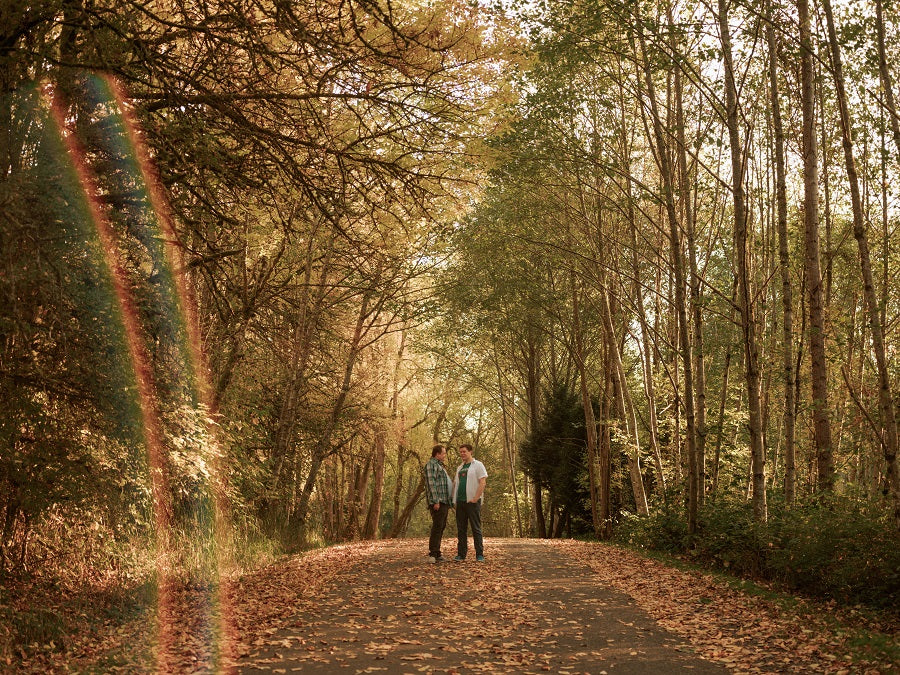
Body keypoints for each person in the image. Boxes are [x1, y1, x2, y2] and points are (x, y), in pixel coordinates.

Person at [451, 443, 488, 562]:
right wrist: (454, 500)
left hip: (472, 502)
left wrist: (476, 498)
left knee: (476, 528)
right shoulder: (460, 467)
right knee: (461, 529)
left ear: (470, 452)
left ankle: (479, 554)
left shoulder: (478, 465)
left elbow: (482, 482)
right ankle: (461, 554)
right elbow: (456, 484)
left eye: (464, 451)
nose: (462, 454)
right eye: (460, 452)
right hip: (460, 502)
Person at [423, 444, 453, 562]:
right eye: (444, 453)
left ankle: (437, 552)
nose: (445, 455)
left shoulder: (439, 466)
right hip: (438, 502)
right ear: (437, 454)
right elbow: (431, 484)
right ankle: (433, 553)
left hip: (444, 501)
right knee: (437, 526)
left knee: (441, 526)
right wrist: (436, 501)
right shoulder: (431, 465)